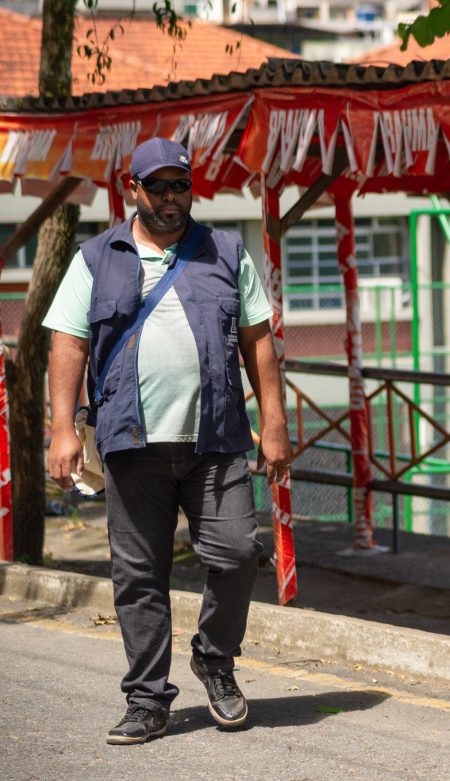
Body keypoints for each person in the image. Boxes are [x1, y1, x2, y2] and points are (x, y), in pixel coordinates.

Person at [44, 137, 292, 745]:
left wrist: (278, 423)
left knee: (236, 554)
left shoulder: (226, 251)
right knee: (138, 574)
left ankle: (214, 658)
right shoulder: (96, 258)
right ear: (134, 189)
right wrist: (60, 429)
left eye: (180, 185)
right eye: (157, 186)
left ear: (191, 187)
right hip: (130, 442)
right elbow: (67, 345)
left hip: (217, 440)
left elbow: (259, 340)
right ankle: (147, 699)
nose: (170, 197)